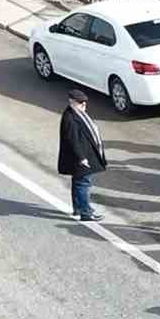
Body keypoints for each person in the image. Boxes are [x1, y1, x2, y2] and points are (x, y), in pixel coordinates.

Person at [57, 89, 106, 222]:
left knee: (78, 182)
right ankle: (86, 212)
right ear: (72, 102)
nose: (84, 106)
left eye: (84, 103)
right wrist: (82, 158)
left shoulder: (77, 113)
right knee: (83, 183)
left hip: (84, 156)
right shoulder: (70, 118)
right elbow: (73, 141)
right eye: (80, 103)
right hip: (81, 158)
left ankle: (78, 208)